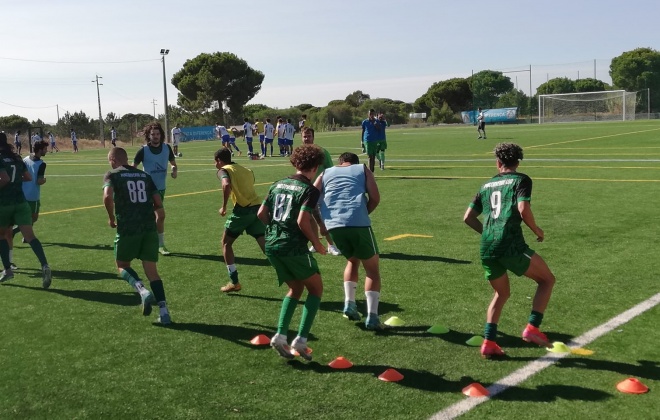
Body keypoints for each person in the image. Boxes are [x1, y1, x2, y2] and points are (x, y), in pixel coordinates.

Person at [463, 143, 555, 358]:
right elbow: (523, 209)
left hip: (486, 246)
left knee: (501, 293)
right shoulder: (521, 180)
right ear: (518, 162)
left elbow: (467, 217)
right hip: (510, 244)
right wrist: (537, 230)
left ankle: (489, 342)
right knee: (547, 280)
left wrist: (489, 233)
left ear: (498, 163)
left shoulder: (486, 186)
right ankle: (532, 328)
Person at [257, 144, 327, 360]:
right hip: (293, 246)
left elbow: (261, 213)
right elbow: (302, 221)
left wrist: (276, 230)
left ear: (295, 163)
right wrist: (316, 244)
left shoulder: (278, 184)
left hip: (272, 245)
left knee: (295, 289)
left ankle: (280, 336)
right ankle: (301, 339)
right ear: (315, 166)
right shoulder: (310, 190)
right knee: (316, 289)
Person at [313, 152, 384, 330]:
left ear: (340, 162)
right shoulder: (362, 169)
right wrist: (363, 213)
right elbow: (375, 198)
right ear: (355, 163)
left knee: (352, 260)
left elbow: (311, 198)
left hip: (333, 225)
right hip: (358, 222)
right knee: (372, 270)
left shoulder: (326, 172)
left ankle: (349, 304)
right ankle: (372, 317)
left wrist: (321, 223)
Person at [103, 147, 172, 324]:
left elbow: (107, 196)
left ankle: (142, 291)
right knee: (153, 272)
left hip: (128, 228)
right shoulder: (145, 176)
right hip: (149, 228)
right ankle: (164, 313)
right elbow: (158, 203)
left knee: (122, 264)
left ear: (112, 160)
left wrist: (111, 218)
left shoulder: (112, 174)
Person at [0, 133, 52, 288]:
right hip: (21, 202)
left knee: (2, 235)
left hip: (4, 203)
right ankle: (45, 265)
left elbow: (4, 179)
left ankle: (8, 270)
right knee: (30, 236)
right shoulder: (16, 157)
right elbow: (28, 177)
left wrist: (8, 181)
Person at [214, 148, 266, 292]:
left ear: (219, 161)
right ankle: (290, 271)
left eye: (215, 161)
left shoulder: (224, 170)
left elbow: (225, 184)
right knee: (265, 245)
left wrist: (223, 207)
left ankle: (234, 282)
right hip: (257, 208)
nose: (215, 164)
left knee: (225, 243)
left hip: (243, 211)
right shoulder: (246, 169)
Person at [133, 122, 178, 256]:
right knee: (157, 216)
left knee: (155, 217)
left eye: (158, 134)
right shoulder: (143, 151)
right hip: (146, 190)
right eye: (153, 134)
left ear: (161, 135)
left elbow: (173, 164)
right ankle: (159, 244)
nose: (156, 136)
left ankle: (155, 244)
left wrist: (174, 170)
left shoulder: (167, 148)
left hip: (161, 188)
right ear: (148, 135)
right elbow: (132, 167)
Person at [301, 127, 341, 256]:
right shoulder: (300, 153)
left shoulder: (322, 152)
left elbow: (330, 170)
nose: (307, 139)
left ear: (313, 137)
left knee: (323, 219)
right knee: (310, 218)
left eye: (309, 136)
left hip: (320, 191)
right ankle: (314, 243)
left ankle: (331, 245)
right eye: (304, 136)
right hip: (305, 190)